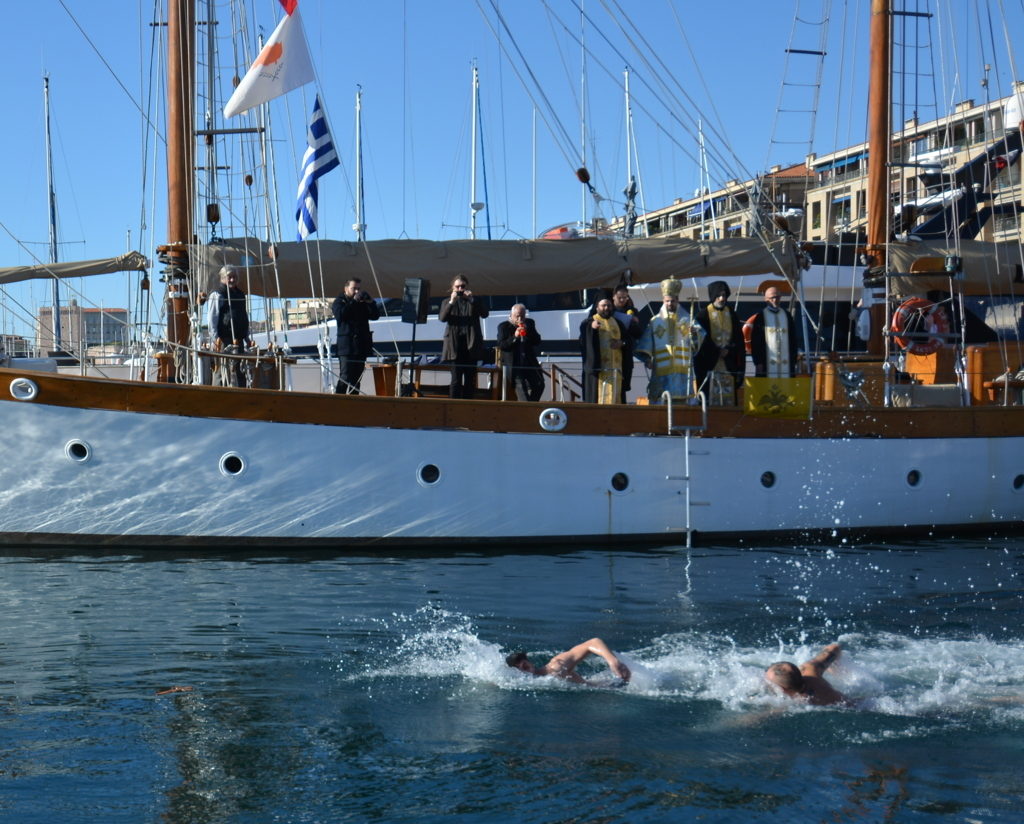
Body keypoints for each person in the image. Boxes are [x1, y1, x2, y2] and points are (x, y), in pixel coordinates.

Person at [635, 277, 706, 403]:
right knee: (662, 401)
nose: (669, 304)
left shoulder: (687, 320)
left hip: (682, 371)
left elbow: (699, 339)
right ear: (663, 300)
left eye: (672, 301)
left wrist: (694, 334)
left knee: (682, 402)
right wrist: (647, 359)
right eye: (667, 301)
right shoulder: (655, 321)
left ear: (677, 300)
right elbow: (645, 343)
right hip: (661, 370)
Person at [694, 280, 745, 405]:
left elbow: (738, 339)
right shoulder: (703, 315)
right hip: (710, 364)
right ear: (713, 296)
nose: (722, 298)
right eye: (719, 295)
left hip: (728, 363)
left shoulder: (732, 314)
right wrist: (717, 351)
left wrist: (729, 349)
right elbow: (701, 340)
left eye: (724, 295)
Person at [439, 274, 489, 399]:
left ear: (467, 287)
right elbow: (442, 318)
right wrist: (451, 302)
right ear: (453, 288)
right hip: (455, 345)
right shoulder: (446, 302)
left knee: (470, 379)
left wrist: (471, 300)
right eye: (457, 287)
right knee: (456, 379)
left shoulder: (475, 301)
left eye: (463, 286)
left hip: (471, 344)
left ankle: (468, 405)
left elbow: (484, 314)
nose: (460, 289)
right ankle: (453, 405)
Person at [506, 637, 631, 685]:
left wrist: (612, 661)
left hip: (618, 684)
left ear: (529, 661)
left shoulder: (556, 666)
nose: (523, 668)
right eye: (519, 668)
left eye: (524, 664)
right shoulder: (524, 684)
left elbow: (592, 642)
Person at [331, 277, 381, 394]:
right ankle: (337, 403)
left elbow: (375, 316)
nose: (357, 292)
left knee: (357, 379)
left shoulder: (362, 303)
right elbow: (341, 315)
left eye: (359, 289)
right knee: (345, 376)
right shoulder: (339, 301)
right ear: (346, 288)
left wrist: (371, 302)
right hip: (347, 348)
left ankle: (354, 403)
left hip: (360, 346)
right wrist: (353, 301)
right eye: (354, 288)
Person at [206, 265, 250, 387]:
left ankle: (242, 393)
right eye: (229, 277)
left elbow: (243, 315)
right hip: (223, 339)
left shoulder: (240, 294)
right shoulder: (217, 294)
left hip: (239, 339)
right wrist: (215, 339)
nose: (232, 280)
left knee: (240, 369)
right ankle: (218, 394)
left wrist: (247, 337)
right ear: (222, 278)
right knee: (221, 370)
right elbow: (212, 318)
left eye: (234, 277)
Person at [765, 642, 847, 706]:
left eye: (768, 682)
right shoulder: (810, 670)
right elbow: (834, 647)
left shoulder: (799, 703)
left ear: (781, 690)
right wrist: (837, 670)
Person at [579, 297, 628, 403]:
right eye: (603, 305)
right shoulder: (588, 322)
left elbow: (627, 340)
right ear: (597, 308)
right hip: (599, 371)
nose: (606, 308)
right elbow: (583, 340)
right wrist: (592, 328)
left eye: (609, 306)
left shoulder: (618, 323)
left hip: (616, 370)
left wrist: (622, 343)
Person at [496, 303, 545, 402]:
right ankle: (527, 410)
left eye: (522, 316)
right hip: (515, 365)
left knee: (539, 384)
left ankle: (531, 407)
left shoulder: (530, 323)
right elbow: (502, 345)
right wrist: (515, 337)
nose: (520, 319)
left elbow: (537, 341)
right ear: (511, 315)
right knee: (522, 391)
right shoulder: (503, 327)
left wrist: (528, 332)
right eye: (517, 316)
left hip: (528, 363)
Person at [750, 286, 800, 378]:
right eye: (772, 297)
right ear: (766, 299)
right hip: (766, 364)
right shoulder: (761, 317)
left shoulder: (787, 315)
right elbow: (756, 342)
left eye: (777, 297)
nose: (775, 300)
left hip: (786, 365)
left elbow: (793, 340)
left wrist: (793, 360)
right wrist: (758, 362)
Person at [612, 284, 643, 403]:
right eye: (620, 297)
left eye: (625, 297)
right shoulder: (609, 310)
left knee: (623, 387)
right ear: (613, 296)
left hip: (625, 351)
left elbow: (638, 334)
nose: (622, 300)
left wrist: (633, 322)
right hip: (611, 351)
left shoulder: (632, 311)